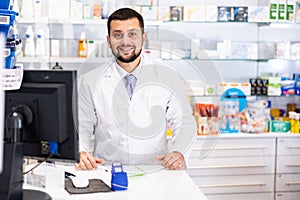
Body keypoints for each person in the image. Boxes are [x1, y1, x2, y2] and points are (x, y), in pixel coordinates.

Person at [75, 7, 196, 171]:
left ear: (143, 38)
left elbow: (184, 121)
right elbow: (82, 126)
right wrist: (81, 151)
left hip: (155, 170)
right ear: (108, 40)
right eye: (117, 35)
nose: (125, 42)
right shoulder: (90, 80)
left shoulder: (167, 76)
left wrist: (180, 152)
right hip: (107, 170)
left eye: (132, 34)